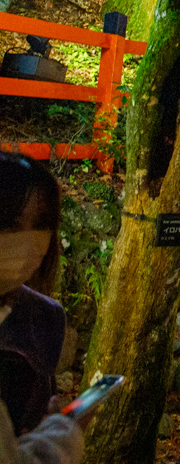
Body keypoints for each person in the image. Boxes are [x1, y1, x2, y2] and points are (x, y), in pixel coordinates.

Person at [1, 152, 83, 464]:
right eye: (10, 224)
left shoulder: (44, 317)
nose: (27, 240)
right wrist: (63, 436)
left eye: (40, 226)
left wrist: (54, 429)